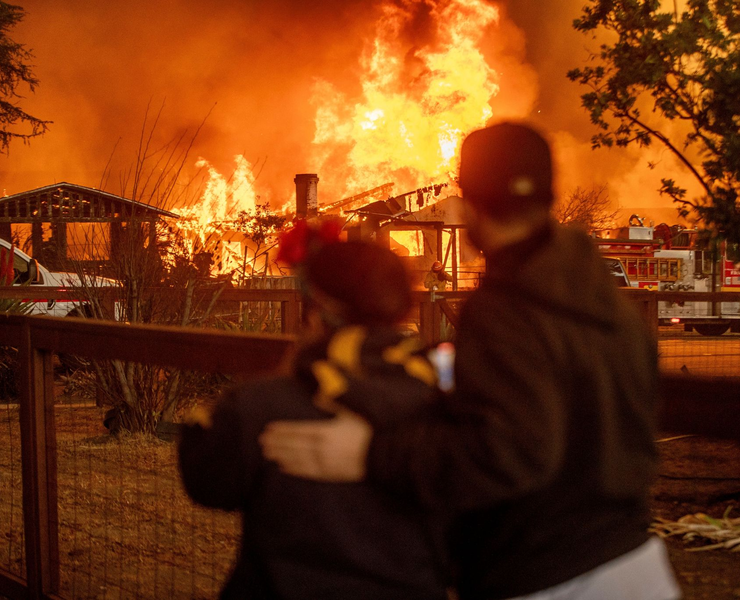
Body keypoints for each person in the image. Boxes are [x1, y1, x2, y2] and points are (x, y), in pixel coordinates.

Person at [262, 123, 681, 600]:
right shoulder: (606, 300)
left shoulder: (507, 307)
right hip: (638, 568)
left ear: (469, 201)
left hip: (549, 577)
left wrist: (369, 454)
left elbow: (507, 451)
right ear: (549, 194)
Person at [178, 226, 450, 600]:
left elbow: (209, 485)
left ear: (317, 308)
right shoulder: (444, 402)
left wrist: (200, 423)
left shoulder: (261, 405)